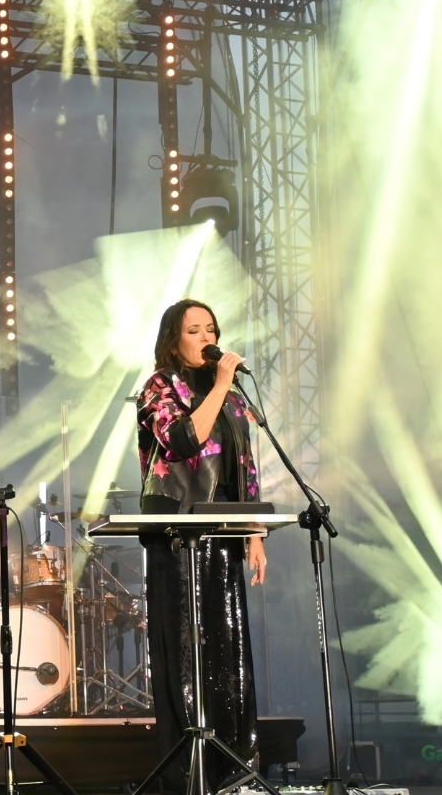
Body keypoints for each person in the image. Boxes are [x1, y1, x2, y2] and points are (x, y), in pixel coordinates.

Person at [136, 299, 267, 795]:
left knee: (228, 650)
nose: (207, 338)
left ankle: (234, 772)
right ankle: (187, 776)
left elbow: (244, 464)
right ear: (175, 339)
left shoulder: (229, 394)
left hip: (222, 534)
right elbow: (183, 440)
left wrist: (254, 533)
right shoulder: (159, 387)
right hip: (177, 538)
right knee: (185, 653)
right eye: (195, 330)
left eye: (211, 329)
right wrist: (219, 386)